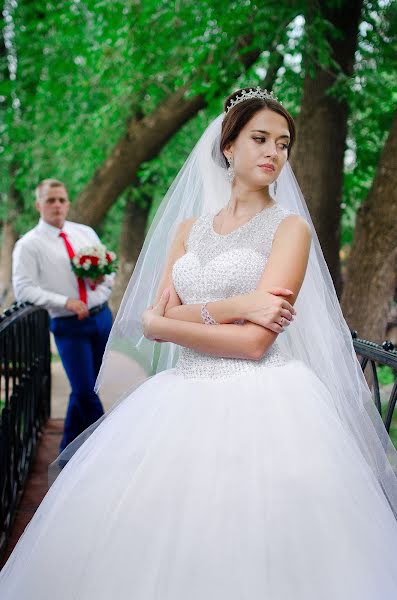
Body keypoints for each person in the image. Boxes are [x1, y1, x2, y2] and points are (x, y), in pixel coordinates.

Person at [1, 88, 397, 599]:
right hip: (178, 393)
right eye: (260, 138)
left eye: (283, 143)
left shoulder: (290, 229)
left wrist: (172, 321)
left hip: (264, 400)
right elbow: (150, 322)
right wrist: (237, 306)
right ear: (228, 145)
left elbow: (254, 344)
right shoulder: (188, 229)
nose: (273, 152)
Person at [12, 179, 114, 451]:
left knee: (91, 387)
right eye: (50, 200)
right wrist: (65, 301)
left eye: (61, 200)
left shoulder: (86, 233)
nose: (57, 205)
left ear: (68, 203)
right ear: (38, 205)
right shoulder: (28, 245)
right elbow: (23, 289)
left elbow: (109, 273)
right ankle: (106, 447)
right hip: (69, 325)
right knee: (83, 391)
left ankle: (68, 450)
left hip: (103, 318)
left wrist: (103, 278)